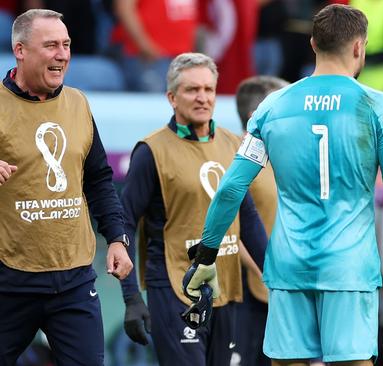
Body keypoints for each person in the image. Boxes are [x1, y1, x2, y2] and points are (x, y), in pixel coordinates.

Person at [182, 4, 383, 365]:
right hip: (348, 267)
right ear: (360, 47)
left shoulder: (271, 106)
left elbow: (230, 189)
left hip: (290, 265)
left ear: (312, 44)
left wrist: (206, 255)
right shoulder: (377, 105)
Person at [0, 9, 132, 365]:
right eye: (51, 45)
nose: (62, 54)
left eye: (67, 45)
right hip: (10, 282)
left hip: (74, 280)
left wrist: (117, 238)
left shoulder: (78, 103)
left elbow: (100, 180)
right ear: (21, 50)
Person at [118, 52, 267, 366]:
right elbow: (124, 223)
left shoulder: (233, 145)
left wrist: (277, 274)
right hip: (174, 290)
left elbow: (248, 217)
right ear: (172, 97)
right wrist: (131, 296)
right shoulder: (151, 152)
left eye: (208, 90)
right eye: (192, 90)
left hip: (226, 289)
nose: (202, 98)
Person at [234, 75, 289, 366]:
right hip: (246, 291)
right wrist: (262, 271)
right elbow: (230, 229)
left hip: (290, 292)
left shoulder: (290, 156)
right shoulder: (237, 160)